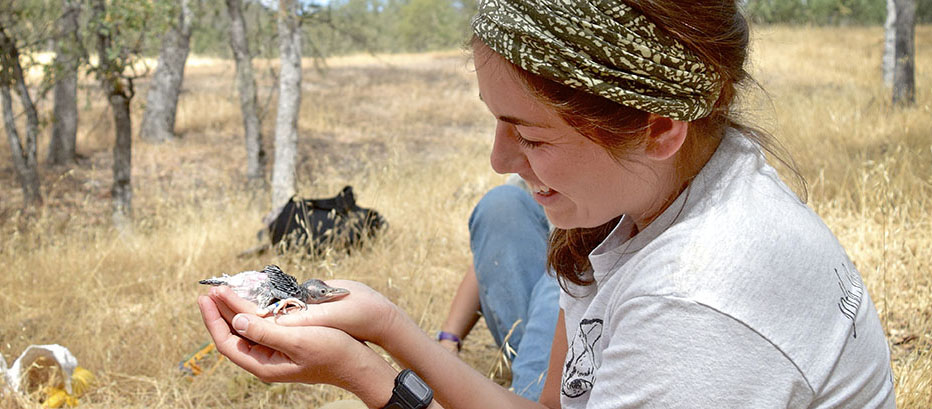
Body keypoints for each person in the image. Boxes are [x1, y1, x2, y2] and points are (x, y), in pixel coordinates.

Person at [198, 0, 897, 408]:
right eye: (495, 122)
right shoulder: (641, 201)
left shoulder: (695, 307)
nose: (500, 159)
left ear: (658, 127)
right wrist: (384, 327)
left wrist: (366, 378)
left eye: (529, 134)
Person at [437, 175, 559, 401]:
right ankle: (535, 383)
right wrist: (448, 339)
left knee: (563, 279)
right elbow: (492, 260)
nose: (498, 161)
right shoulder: (530, 174)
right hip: (537, 321)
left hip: (593, 319)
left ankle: (535, 393)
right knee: (501, 205)